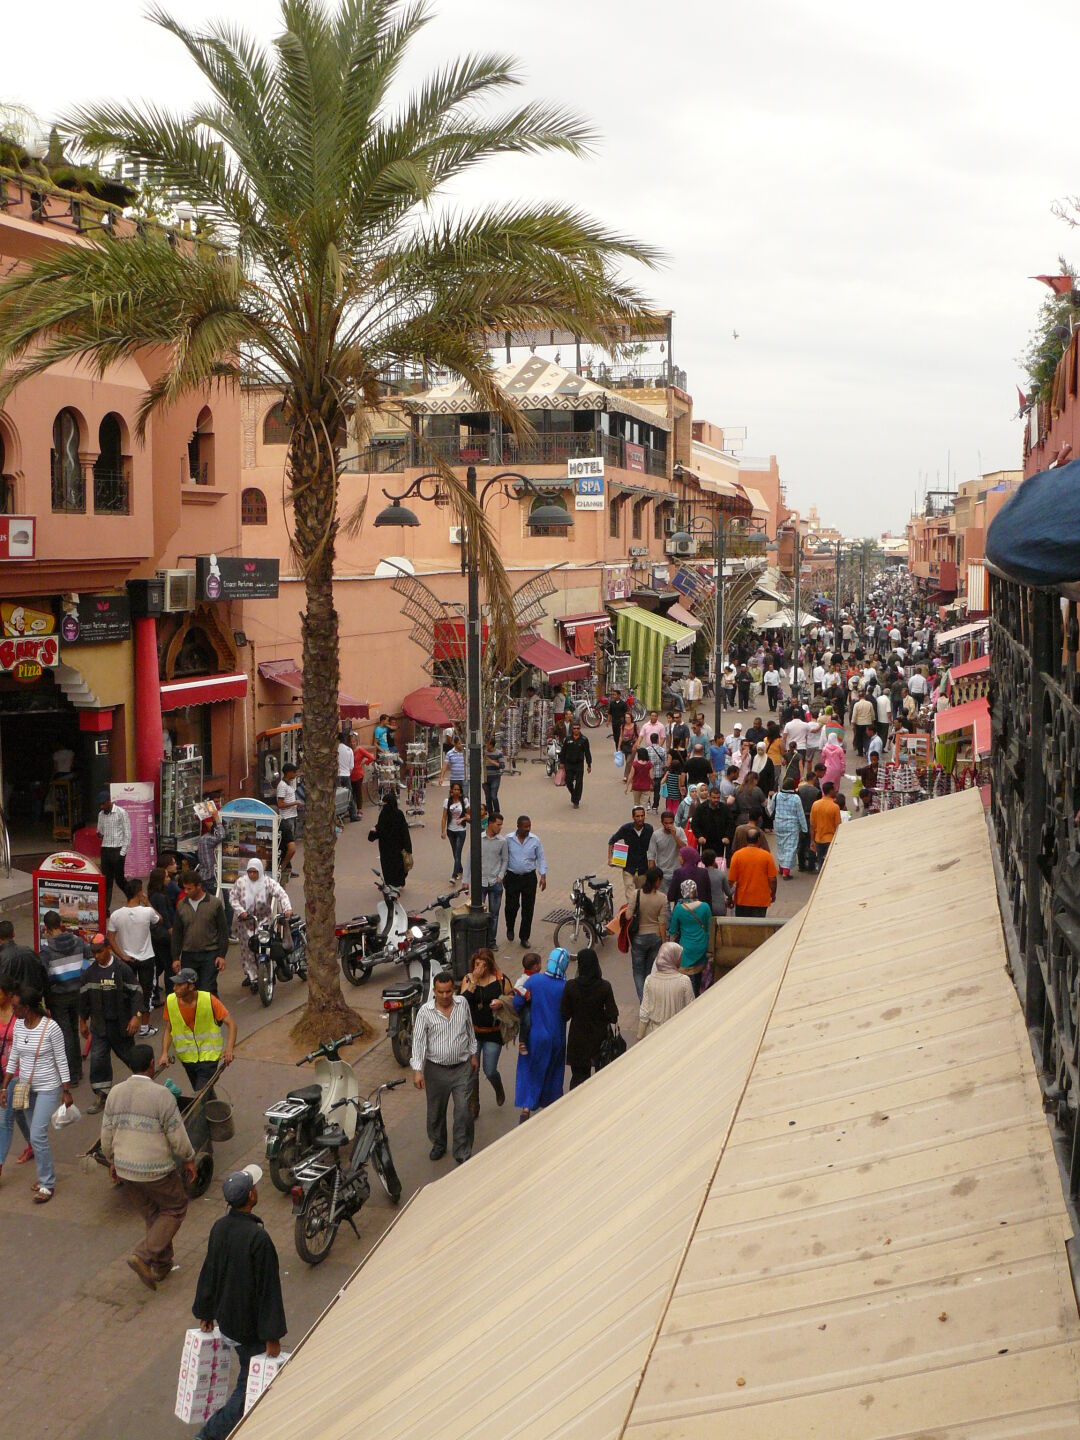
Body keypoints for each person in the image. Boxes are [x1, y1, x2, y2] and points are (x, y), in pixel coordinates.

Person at [192, 1164, 287, 1440]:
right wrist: (272, 1336)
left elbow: (210, 1271)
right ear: (251, 1196)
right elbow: (268, 1290)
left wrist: (206, 1312)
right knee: (246, 1393)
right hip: (249, 1330)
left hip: (227, 1322)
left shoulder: (219, 1228)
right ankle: (209, 1435)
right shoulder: (259, 1239)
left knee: (247, 1380)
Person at [100, 1042, 196, 1289]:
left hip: (126, 1169)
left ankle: (161, 1265)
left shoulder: (115, 1093)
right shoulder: (162, 1095)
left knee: (154, 1215)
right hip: (156, 1170)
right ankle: (143, 1255)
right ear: (152, 1064)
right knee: (175, 1207)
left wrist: (111, 1161)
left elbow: (107, 1134)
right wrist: (189, 1158)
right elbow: (177, 1135)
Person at [0, 984, 72, 1202]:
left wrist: (66, 1090)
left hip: (48, 1088)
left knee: (38, 1134)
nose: (13, 1010)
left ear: (28, 1007)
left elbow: (61, 1059)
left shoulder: (51, 1028)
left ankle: (47, 1183)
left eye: (16, 1007)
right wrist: (5, 1086)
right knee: (35, 1135)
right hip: (26, 1087)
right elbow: (14, 1057)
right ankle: (44, 1177)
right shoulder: (19, 1025)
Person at [411, 970, 478, 1163]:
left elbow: (469, 1029)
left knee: (463, 1111)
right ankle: (439, 1143)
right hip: (436, 1071)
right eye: (440, 992)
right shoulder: (425, 1012)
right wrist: (417, 1070)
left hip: (462, 1068)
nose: (445, 995)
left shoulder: (462, 1004)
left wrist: (473, 1054)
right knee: (435, 1113)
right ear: (434, 991)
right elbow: (418, 1042)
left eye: (449, 991)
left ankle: (462, 1151)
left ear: (453, 990)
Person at [80, 933, 145, 1112]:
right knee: (98, 1061)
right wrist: (82, 1021)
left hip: (121, 1027)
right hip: (99, 1027)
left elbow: (137, 993)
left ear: (108, 948)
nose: (97, 956)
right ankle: (102, 1095)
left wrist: (136, 1016)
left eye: (100, 951)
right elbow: (83, 999)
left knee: (132, 1058)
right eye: (94, 953)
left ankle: (146, 1089)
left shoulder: (122, 969)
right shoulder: (89, 973)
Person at [512, 947, 569, 1122]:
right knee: (553, 1072)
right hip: (557, 1037)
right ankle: (550, 1108)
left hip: (535, 1036)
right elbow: (567, 1013)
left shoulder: (535, 980)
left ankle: (526, 1107)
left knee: (530, 1070)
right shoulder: (565, 987)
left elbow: (517, 1003)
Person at [159, 968, 237, 1093]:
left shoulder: (209, 1000)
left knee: (200, 1092)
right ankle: (213, 1105)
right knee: (203, 1093)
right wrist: (164, 1053)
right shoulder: (170, 1001)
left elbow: (231, 1024)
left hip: (209, 1057)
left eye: (179, 985)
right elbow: (169, 1029)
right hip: (187, 1058)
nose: (174, 988)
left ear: (191, 986)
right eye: (175, 984)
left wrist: (229, 1049)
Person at [39, 910, 91, 1084]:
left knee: (65, 1034)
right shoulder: (78, 941)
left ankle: (71, 1075)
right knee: (74, 1031)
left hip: (58, 997)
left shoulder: (46, 951)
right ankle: (78, 1070)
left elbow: (44, 977)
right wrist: (80, 976)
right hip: (77, 993)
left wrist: (46, 998)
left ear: (46, 928)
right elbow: (90, 959)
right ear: (61, 923)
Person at [459, 949, 513, 1113]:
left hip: (493, 1032)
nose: (480, 968)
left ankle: (498, 1086)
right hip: (474, 1033)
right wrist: (474, 980)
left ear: (490, 965)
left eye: (484, 965)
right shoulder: (468, 979)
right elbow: (462, 1003)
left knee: (489, 1069)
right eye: (477, 964)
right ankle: (474, 1105)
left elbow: (512, 998)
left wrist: (501, 1002)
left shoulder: (500, 979)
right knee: (472, 1071)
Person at [107, 880, 162, 1034]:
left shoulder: (116, 915)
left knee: (126, 991)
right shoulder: (147, 911)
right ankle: (144, 1027)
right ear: (139, 892)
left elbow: (110, 938)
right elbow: (160, 919)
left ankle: (127, 1023)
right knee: (147, 992)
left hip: (127, 960)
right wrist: (148, 902)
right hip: (147, 959)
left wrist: (121, 955)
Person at [561, 948, 619, 1088]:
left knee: (578, 1080)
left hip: (578, 1040)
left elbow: (564, 1015)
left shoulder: (571, 986)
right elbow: (613, 1016)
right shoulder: (604, 986)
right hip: (599, 1041)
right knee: (601, 1081)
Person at [231, 858, 292, 991]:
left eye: (255, 872)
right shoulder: (240, 883)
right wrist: (241, 911)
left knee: (264, 948)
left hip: (264, 922)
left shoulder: (268, 883)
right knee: (247, 952)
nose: (252, 875)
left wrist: (287, 908)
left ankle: (267, 971)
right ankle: (252, 977)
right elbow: (233, 898)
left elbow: (282, 894)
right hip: (245, 924)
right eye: (250, 872)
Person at [172, 872, 230, 997]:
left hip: (210, 954)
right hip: (188, 955)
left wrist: (222, 955)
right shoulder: (181, 905)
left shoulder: (214, 903)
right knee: (191, 990)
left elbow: (223, 931)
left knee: (207, 989)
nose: (186, 892)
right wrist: (176, 957)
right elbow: (177, 933)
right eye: (184, 888)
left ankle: (214, 1009)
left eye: (189, 888)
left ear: (199, 886)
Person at [504, 815, 547, 948]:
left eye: (529, 826)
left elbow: (541, 857)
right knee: (511, 906)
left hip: (529, 878)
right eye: (525, 827)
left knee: (528, 909)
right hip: (512, 877)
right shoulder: (508, 839)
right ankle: (510, 927)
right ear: (518, 826)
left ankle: (524, 937)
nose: (528, 829)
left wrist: (543, 875)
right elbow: (503, 856)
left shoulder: (535, 840)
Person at [638, 941, 695, 1038]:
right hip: (677, 1033)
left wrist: (640, 1036)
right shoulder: (684, 981)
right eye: (679, 956)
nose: (681, 959)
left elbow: (644, 1012)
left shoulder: (650, 980)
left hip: (654, 1034)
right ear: (672, 958)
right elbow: (691, 1010)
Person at [627, 866, 668, 1000]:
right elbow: (662, 923)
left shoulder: (636, 894)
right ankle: (650, 998)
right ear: (657, 881)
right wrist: (663, 942)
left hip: (638, 938)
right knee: (650, 971)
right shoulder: (662, 898)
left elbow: (628, 916)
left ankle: (643, 1001)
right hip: (655, 938)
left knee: (638, 972)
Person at [667, 879, 712, 995]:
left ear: (682, 892)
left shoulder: (679, 908)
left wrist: (671, 950)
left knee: (688, 982)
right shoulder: (705, 907)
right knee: (700, 978)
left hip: (686, 949)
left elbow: (673, 931)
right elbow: (710, 928)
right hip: (702, 946)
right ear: (695, 891)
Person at [727, 827, 779, 916]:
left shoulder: (737, 855)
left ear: (747, 839)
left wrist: (729, 897)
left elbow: (731, 881)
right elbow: (772, 879)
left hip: (742, 899)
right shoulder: (766, 856)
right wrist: (773, 894)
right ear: (758, 839)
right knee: (758, 924)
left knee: (742, 923)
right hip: (761, 900)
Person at [608, 805, 654, 903]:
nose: (640, 818)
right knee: (631, 895)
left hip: (643, 869)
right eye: (637, 816)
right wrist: (610, 858)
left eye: (642, 816)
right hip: (628, 868)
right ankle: (631, 910)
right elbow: (612, 841)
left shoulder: (649, 829)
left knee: (641, 896)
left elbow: (653, 847)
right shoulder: (626, 829)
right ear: (633, 817)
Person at [369, 790, 412, 887]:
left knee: (389, 866)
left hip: (387, 847)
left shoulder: (385, 815)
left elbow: (380, 829)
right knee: (396, 866)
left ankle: (391, 883)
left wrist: (373, 833)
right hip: (395, 847)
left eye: (385, 804)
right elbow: (404, 832)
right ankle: (396, 883)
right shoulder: (397, 814)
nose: (384, 807)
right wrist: (408, 848)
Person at [96, 789, 131, 910]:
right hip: (105, 849)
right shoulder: (101, 815)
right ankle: (105, 909)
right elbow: (100, 831)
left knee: (120, 880)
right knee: (106, 881)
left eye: (103, 804)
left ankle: (132, 898)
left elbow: (127, 834)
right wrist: (99, 833)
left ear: (109, 801)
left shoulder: (121, 812)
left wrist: (122, 853)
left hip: (117, 850)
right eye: (100, 805)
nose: (101, 807)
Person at [480, 812, 508, 949]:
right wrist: (466, 879)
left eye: (501, 825)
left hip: (495, 882)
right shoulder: (479, 839)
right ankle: (480, 939)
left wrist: (501, 875)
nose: (500, 827)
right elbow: (470, 858)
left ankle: (491, 941)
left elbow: (505, 860)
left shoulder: (502, 841)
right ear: (490, 823)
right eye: (498, 824)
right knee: (478, 913)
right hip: (481, 881)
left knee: (494, 914)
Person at [0, 921, 48, 998]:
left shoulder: (2, 957)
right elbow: (42, 974)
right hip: (32, 998)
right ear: (13, 934)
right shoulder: (28, 950)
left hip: (13, 1001)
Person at [772, 776, 808, 879]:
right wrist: (804, 829)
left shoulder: (776, 796)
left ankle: (781, 867)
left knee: (781, 846)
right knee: (790, 848)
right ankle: (786, 872)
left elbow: (770, 809)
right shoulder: (796, 798)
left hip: (779, 824)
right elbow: (800, 814)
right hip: (792, 826)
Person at [647, 809, 687, 890]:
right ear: (662, 822)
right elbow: (651, 855)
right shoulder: (656, 835)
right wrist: (651, 875)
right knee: (664, 897)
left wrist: (674, 836)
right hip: (662, 873)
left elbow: (685, 849)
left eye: (671, 823)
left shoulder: (680, 831)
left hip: (677, 872)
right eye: (666, 823)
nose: (669, 825)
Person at [275, 761, 300, 882]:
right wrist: (295, 803)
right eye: (294, 772)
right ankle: (285, 866)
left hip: (292, 816)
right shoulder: (282, 786)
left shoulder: (289, 784)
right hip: (286, 818)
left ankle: (288, 867)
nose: (295, 774)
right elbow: (280, 804)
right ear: (288, 773)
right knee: (288, 844)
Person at [809, 781, 842, 868]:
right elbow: (838, 826)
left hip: (818, 839)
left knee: (820, 862)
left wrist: (812, 840)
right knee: (830, 864)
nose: (836, 791)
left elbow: (812, 825)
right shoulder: (835, 807)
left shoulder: (815, 805)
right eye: (834, 789)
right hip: (830, 839)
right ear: (830, 791)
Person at [441, 780, 468, 883]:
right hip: (450, 830)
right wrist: (443, 831)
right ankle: (460, 870)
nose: (456, 791)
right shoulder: (447, 801)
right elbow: (444, 817)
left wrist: (463, 819)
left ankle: (454, 875)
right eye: (454, 789)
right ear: (451, 790)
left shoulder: (464, 801)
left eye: (458, 789)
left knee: (458, 852)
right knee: (455, 852)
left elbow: (469, 814)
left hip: (461, 830)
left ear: (460, 791)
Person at [560, 722, 593, 808]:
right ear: (572, 729)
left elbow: (587, 753)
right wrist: (562, 763)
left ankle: (576, 801)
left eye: (578, 728)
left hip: (579, 764)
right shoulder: (567, 739)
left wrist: (589, 764)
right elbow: (563, 752)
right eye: (574, 728)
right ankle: (574, 794)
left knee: (579, 783)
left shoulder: (584, 740)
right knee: (568, 781)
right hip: (569, 764)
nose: (576, 730)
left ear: (580, 729)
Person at [349, 735, 375, 817]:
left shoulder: (360, 749)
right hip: (350, 774)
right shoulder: (348, 750)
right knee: (351, 793)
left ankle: (359, 810)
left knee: (358, 792)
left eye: (354, 742)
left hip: (358, 774)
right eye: (351, 742)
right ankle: (352, 810)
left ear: (356, 742)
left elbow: (371, 757)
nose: (352, 743)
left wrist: (364, 762)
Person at [483, 740, 505, 816]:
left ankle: (497, 812)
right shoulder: (483, 753)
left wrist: (491, 761)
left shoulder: (499, 753)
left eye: (487, 744)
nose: (486, 746)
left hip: (495, 777)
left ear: (491, 745)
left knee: (493, 796)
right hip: (485, 777)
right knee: (488, 797)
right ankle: (490, 814)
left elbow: (502, 765)